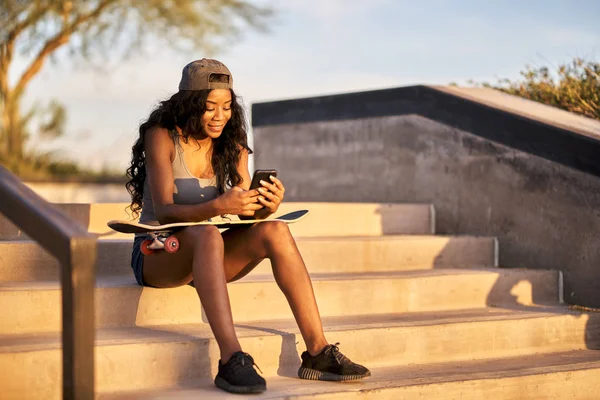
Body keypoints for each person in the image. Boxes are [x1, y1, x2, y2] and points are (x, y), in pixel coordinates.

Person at [125, 59, 370, 394]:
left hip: (205, 253)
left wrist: (265, 205)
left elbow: (244, 215)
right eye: (209, 107)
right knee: (208, 233)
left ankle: (317, 352)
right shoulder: (162, 137)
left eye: (226, 106)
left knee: (276, 230)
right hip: (158, 251)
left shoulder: (233, 143)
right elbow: (166, 212)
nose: (219, 116)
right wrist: (217, 205)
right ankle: (231, 359)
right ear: (188, 104)